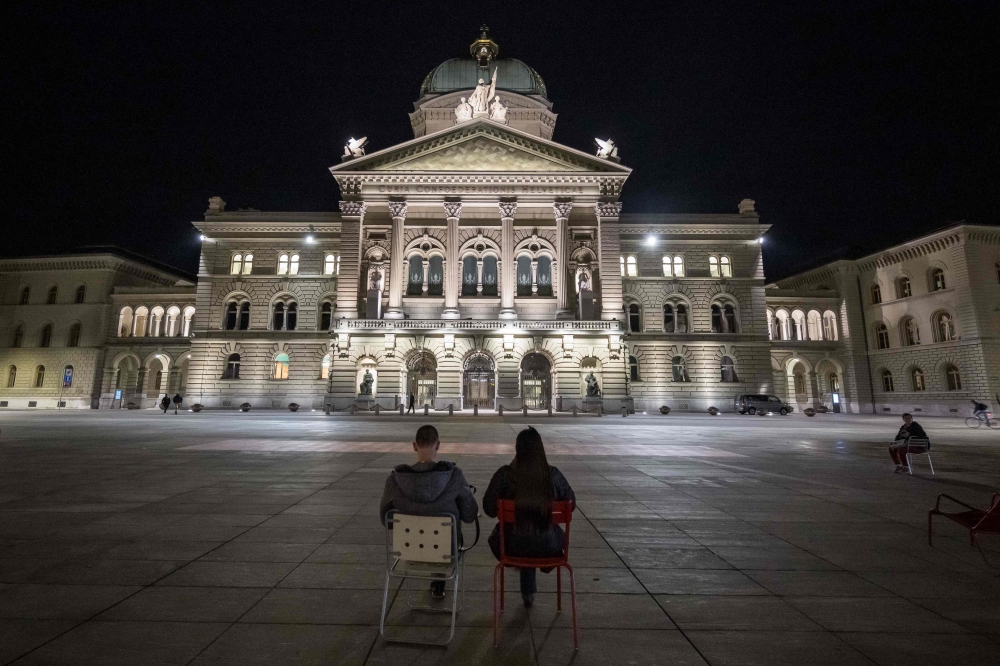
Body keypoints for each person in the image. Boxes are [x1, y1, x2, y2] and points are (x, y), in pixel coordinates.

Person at [380, 425, 478, 599]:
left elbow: (385, 520)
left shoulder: (395, 480)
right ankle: (439, 583)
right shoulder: (454, 476)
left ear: (414, 446)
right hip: (445, 551)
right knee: (448, 532)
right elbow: (470, 515)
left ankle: (437, 583)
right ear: (438, 445)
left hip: (408, 551)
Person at [483, 427, 576, 607]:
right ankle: (529, 592)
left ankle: (527, 592)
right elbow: (571, 503)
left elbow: (489, 509)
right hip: (548, 547)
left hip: (510, 546)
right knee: (535, 529)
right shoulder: (553, 475)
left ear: (517, 449)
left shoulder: (505, 475)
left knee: (523, 531)